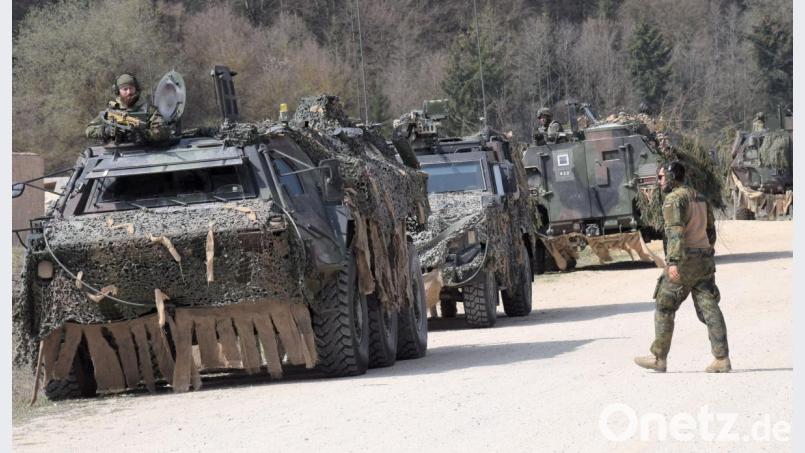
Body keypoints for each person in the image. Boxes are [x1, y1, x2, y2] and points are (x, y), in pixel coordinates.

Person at [635, 161, 731, 373]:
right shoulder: (700, 197)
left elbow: (675, 232)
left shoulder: (674, 199)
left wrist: (673, 262)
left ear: (670, 177)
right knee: (710, 308)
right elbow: (711, 231)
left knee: (664, 306)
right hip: (703, 259)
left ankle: (659, 358)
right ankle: (722, 358)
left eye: (661, 177)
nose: (659, 182)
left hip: (684, 261)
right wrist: (706, 252)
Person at [86, 73, 170, 143]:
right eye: (125, 89)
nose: (129, 92)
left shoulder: (148, 109)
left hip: (144, 151)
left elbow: (163, 131)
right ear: (118, 91)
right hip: (116, 152)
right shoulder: (112, 110)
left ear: (136, 89)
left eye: (131, 88)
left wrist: (145, 135)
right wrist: (105, 131)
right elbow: (89, 130)